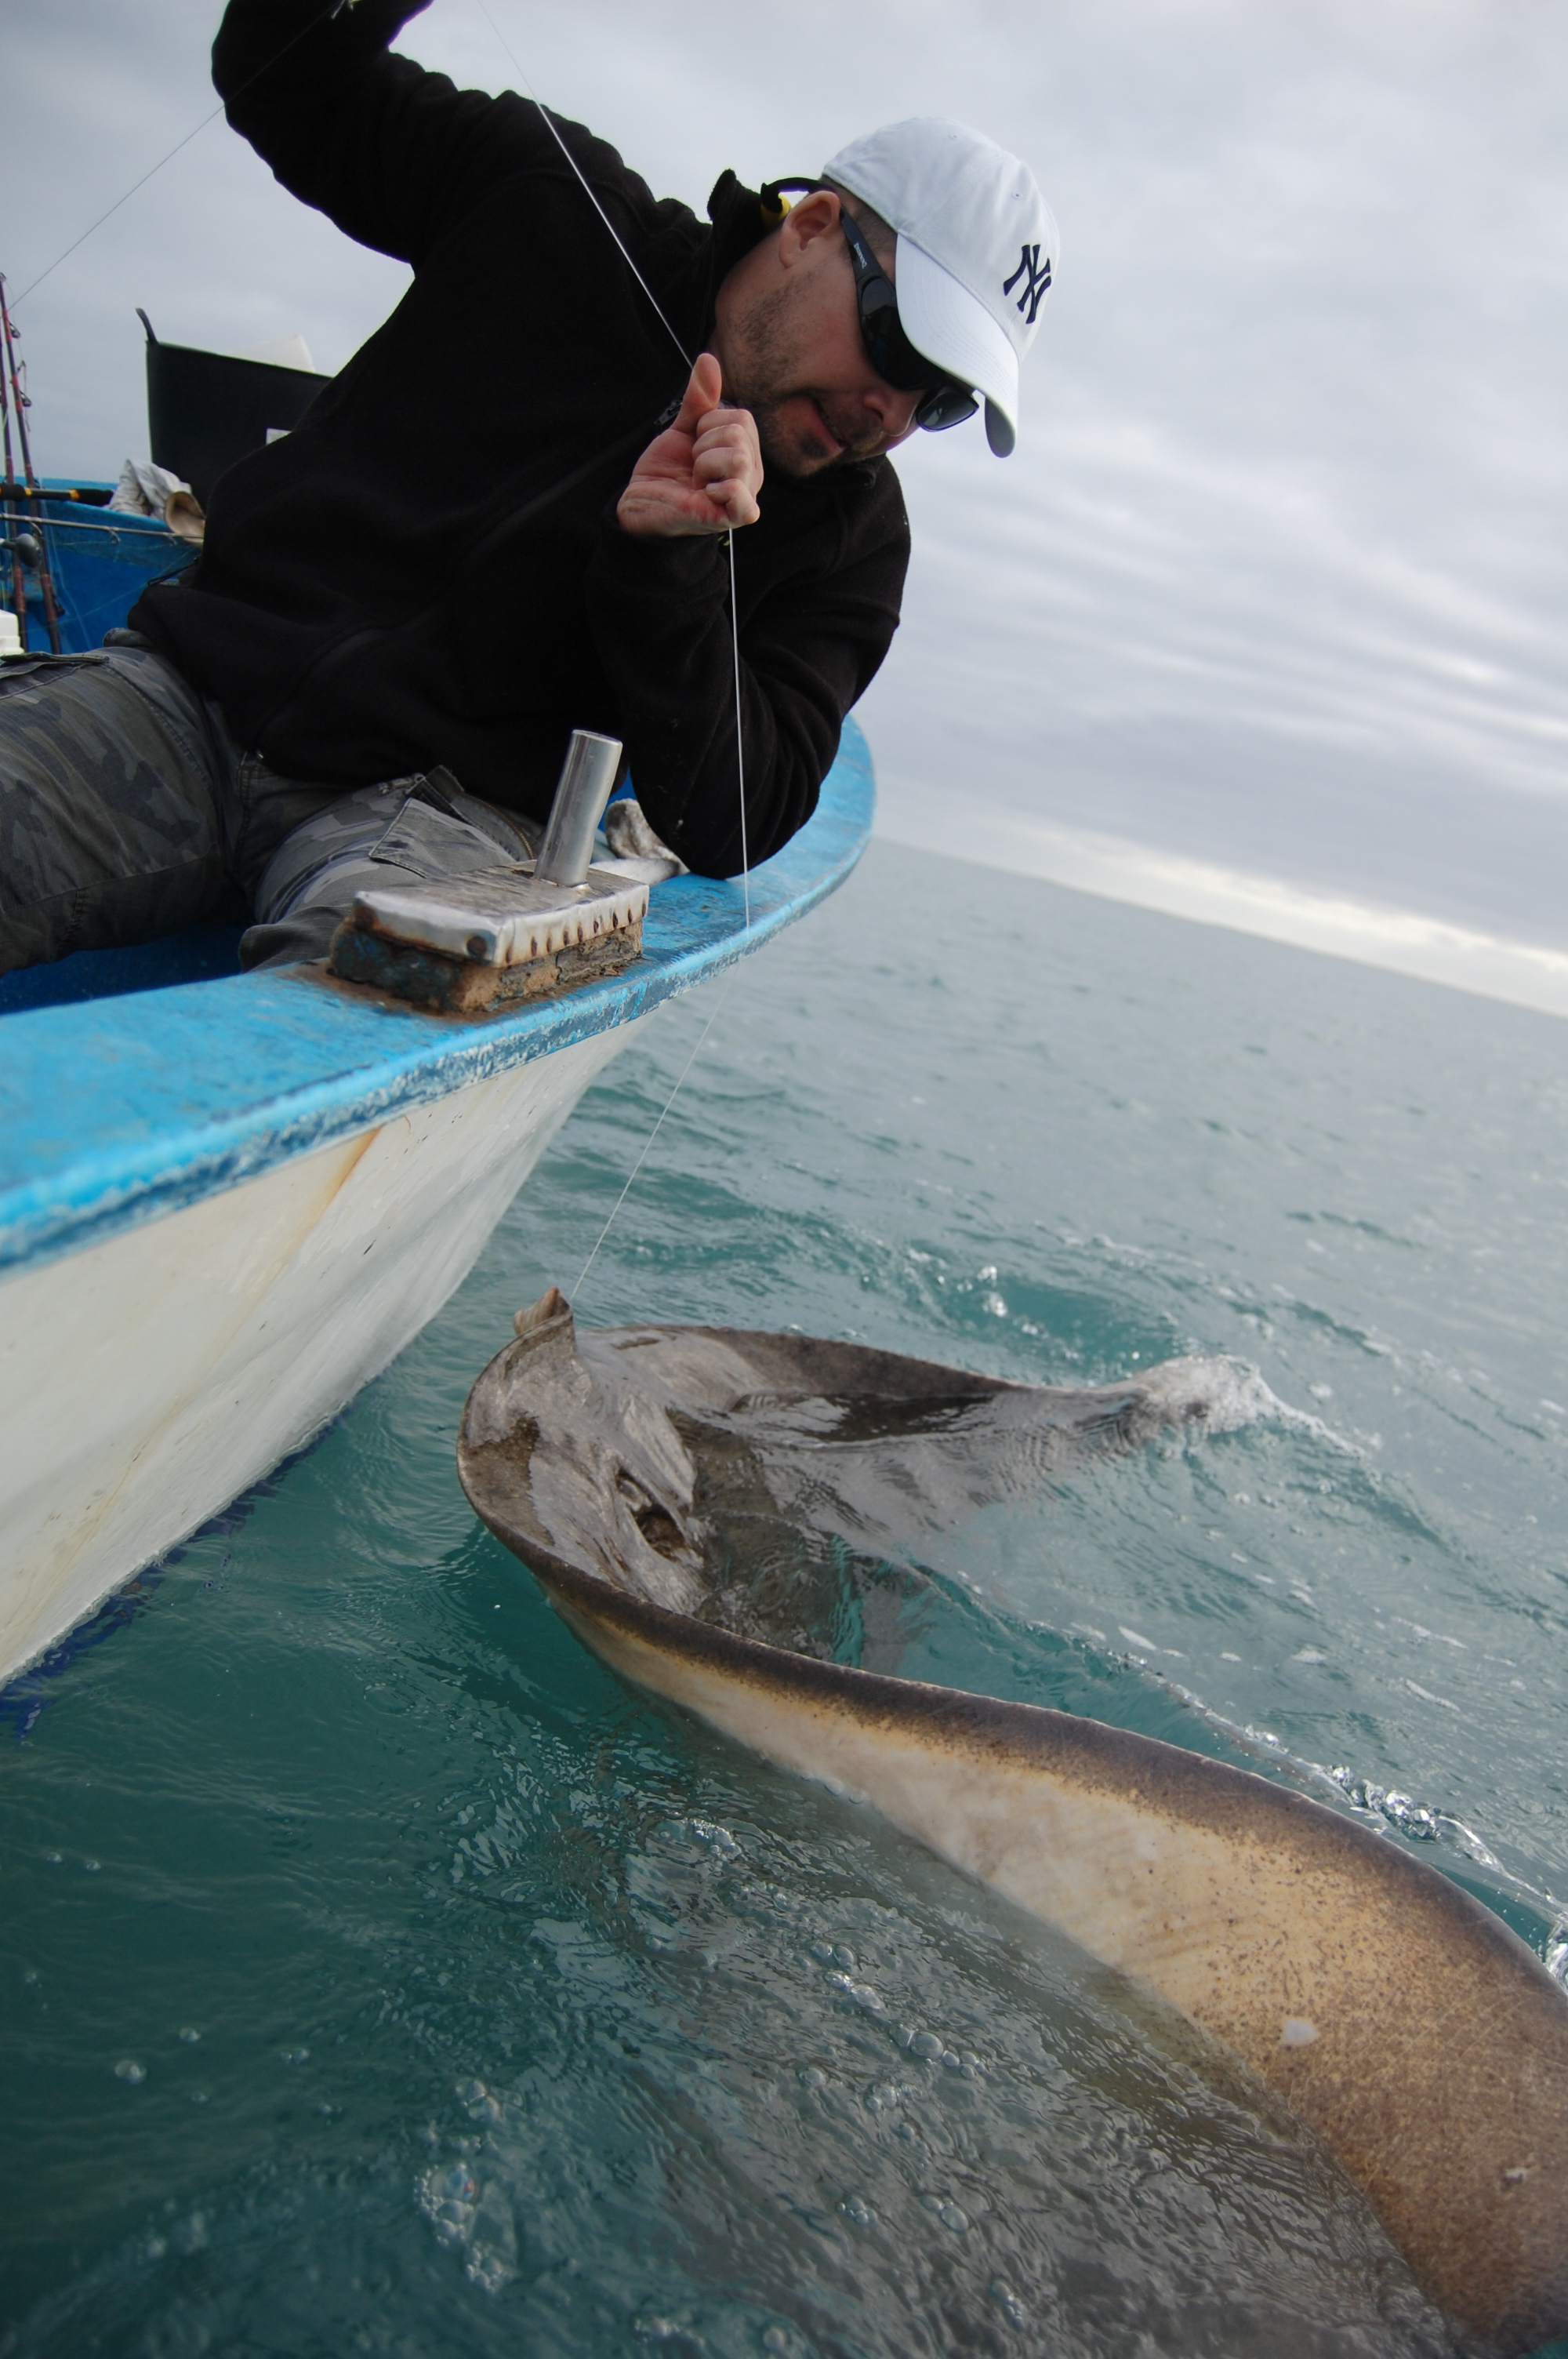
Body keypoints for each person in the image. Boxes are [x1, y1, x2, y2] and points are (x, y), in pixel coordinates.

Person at [0, 0, 1056, 976]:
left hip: (438, 826)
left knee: (393, 997)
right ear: (815, 225)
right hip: (187, 698)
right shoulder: (548, 200)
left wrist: (673, 566)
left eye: (945, 399)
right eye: (898, 344)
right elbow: (282, 76)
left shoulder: (854, 537)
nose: (896, 413)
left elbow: (739, 816)